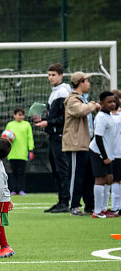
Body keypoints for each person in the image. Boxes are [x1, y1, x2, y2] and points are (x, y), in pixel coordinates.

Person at [63, 72, 101, 216]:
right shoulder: (72, 100)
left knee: (88, 176)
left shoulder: (83, 100)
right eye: (87, 81)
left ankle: (90, 205)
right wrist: (93, 104)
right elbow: (80, 111)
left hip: (87, 143)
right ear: (81, 82)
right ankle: (74, 206)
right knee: (75, 176)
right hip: (75, 144)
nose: (89, 84)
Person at [34, 63, 70, 213]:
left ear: (61, 76)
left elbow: (65, 117)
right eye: (49, 75)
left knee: (62, 170)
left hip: (61, 136)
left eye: (53, 75)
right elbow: (54, 116)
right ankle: (61, 200)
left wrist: (48, 122)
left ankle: (65, 202)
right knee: (56, 170)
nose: (50, 78)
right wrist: (43, 119)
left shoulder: (63, 92)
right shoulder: (55, 91)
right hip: (53, 136)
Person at [88, 91, 118, 218]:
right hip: (98, 152)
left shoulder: (109, 116)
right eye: (109, 102)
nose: (112, 104)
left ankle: (104, 209)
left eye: (114, 101)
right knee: (100, 179)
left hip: (108, 154)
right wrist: (104, 156)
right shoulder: (100, 117)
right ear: (101, 103)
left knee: (109, 179)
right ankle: (97, 211)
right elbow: (98, 138)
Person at [5, 107, 34, 196]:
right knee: (13, 172)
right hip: (12, 153)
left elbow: (30, 137)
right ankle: (13, 189)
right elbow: (6, 137)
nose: (21, 117)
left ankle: (21, 189)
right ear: (14, 115)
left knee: (21, 172)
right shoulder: (10, 125)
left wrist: (31, 149)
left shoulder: (27, 125)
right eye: (19, 114)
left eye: (22, 115)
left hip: (22, 153)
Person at [111, 90, 121, 214]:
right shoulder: (105, 116)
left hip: (117, 152)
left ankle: (116, 207)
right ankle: (115, 207)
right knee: (114, 179)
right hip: (112, 152)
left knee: (116, 179)